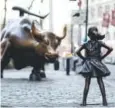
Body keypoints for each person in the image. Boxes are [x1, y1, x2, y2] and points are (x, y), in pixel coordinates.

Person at [76, 26, 113, 106]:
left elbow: (77, 52)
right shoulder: (99, 43)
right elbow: (110, 49)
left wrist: (84, 59)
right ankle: (104, 101)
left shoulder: (86, 44)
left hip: (88, 63)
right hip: (97, 62)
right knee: (100, 81)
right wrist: (102, 57)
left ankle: (84, 102)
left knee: (87, 82)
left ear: (88, 35)